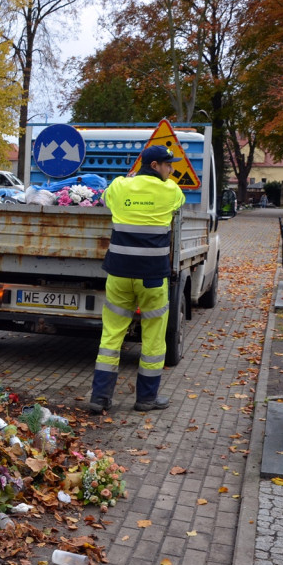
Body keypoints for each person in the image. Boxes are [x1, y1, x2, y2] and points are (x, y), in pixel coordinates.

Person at [86, 145, 186, 413]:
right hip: (152, 278)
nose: (172, 169)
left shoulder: (119, 186)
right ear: (155, 166)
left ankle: (100, 398)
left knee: (111, 335)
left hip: (119, 274)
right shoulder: (171, 191)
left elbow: (104, 198)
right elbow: (180, 204)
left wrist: (131, 182)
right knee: (153, 338)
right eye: (168, 165)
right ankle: (146, 399)